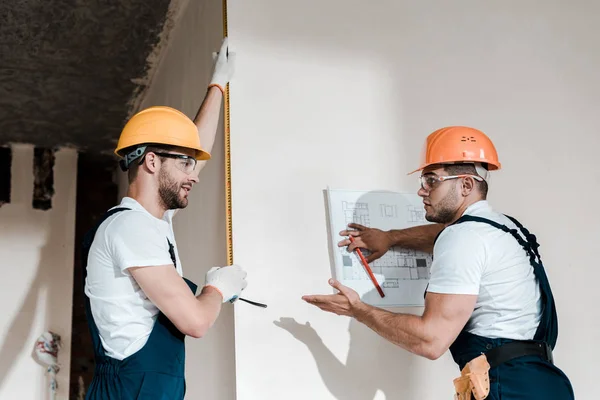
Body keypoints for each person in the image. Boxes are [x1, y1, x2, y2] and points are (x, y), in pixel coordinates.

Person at [303, 126, 574, 399]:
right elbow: (441, 234)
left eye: (432, 180)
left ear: (466, 185)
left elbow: (431, 340)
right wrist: (390, 237)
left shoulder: (463, 237)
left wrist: (357, 310)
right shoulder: (504, 227)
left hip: (509, 388)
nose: (422, 191)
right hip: (546, 384)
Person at [81, 38, 248, 400]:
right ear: (152, 162)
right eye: (184, 164)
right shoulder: (130, 228)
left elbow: (193, 150)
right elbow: (196, 321)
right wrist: (218, 288)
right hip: (130, 391)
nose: (196, 174)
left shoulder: (149, 222)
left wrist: (217, 85)